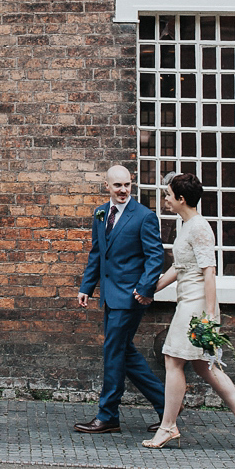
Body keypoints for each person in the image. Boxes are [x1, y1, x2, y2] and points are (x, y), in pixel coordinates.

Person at [142, 172, 235, 452]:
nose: (165, 199)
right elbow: (179, 267)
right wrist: (150, 290)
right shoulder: (186, 226)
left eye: (168, 195)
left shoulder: (199, 227)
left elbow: (209, 272)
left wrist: (209, 316)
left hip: (196, 305)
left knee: (172, 359)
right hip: (186, 299)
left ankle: (168, 426)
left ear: (181, 198)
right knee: (206, 367)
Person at [74, 165, 167, 434]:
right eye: (117, 186)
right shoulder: (101, 212)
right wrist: (86, 286)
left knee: (113, 353)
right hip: (109, 295)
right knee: (123, 352)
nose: (123, 190)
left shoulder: (144, 216)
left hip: (130, 297)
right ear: (107, 186)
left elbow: (155, 257)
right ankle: (167, 404)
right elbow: (97, 253)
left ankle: (108, 415)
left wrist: (145, 288)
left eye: (127, 185)